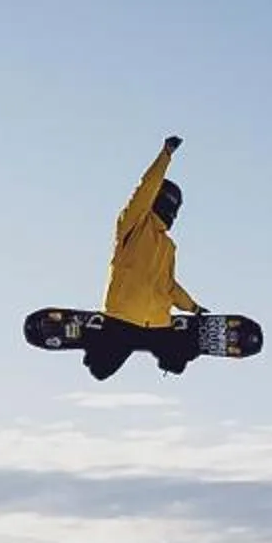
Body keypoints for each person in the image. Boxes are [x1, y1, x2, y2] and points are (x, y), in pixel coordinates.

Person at [88, 135, 204, 379]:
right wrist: (166, 154)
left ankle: (177, 346)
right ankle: (97, 340)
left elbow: (169, 287)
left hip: (155, 324)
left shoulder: (168, 246)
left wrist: (192, 307)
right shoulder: (134, 223)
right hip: (125, 318)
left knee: (177, 364)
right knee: (99, 370)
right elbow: (146, 188)